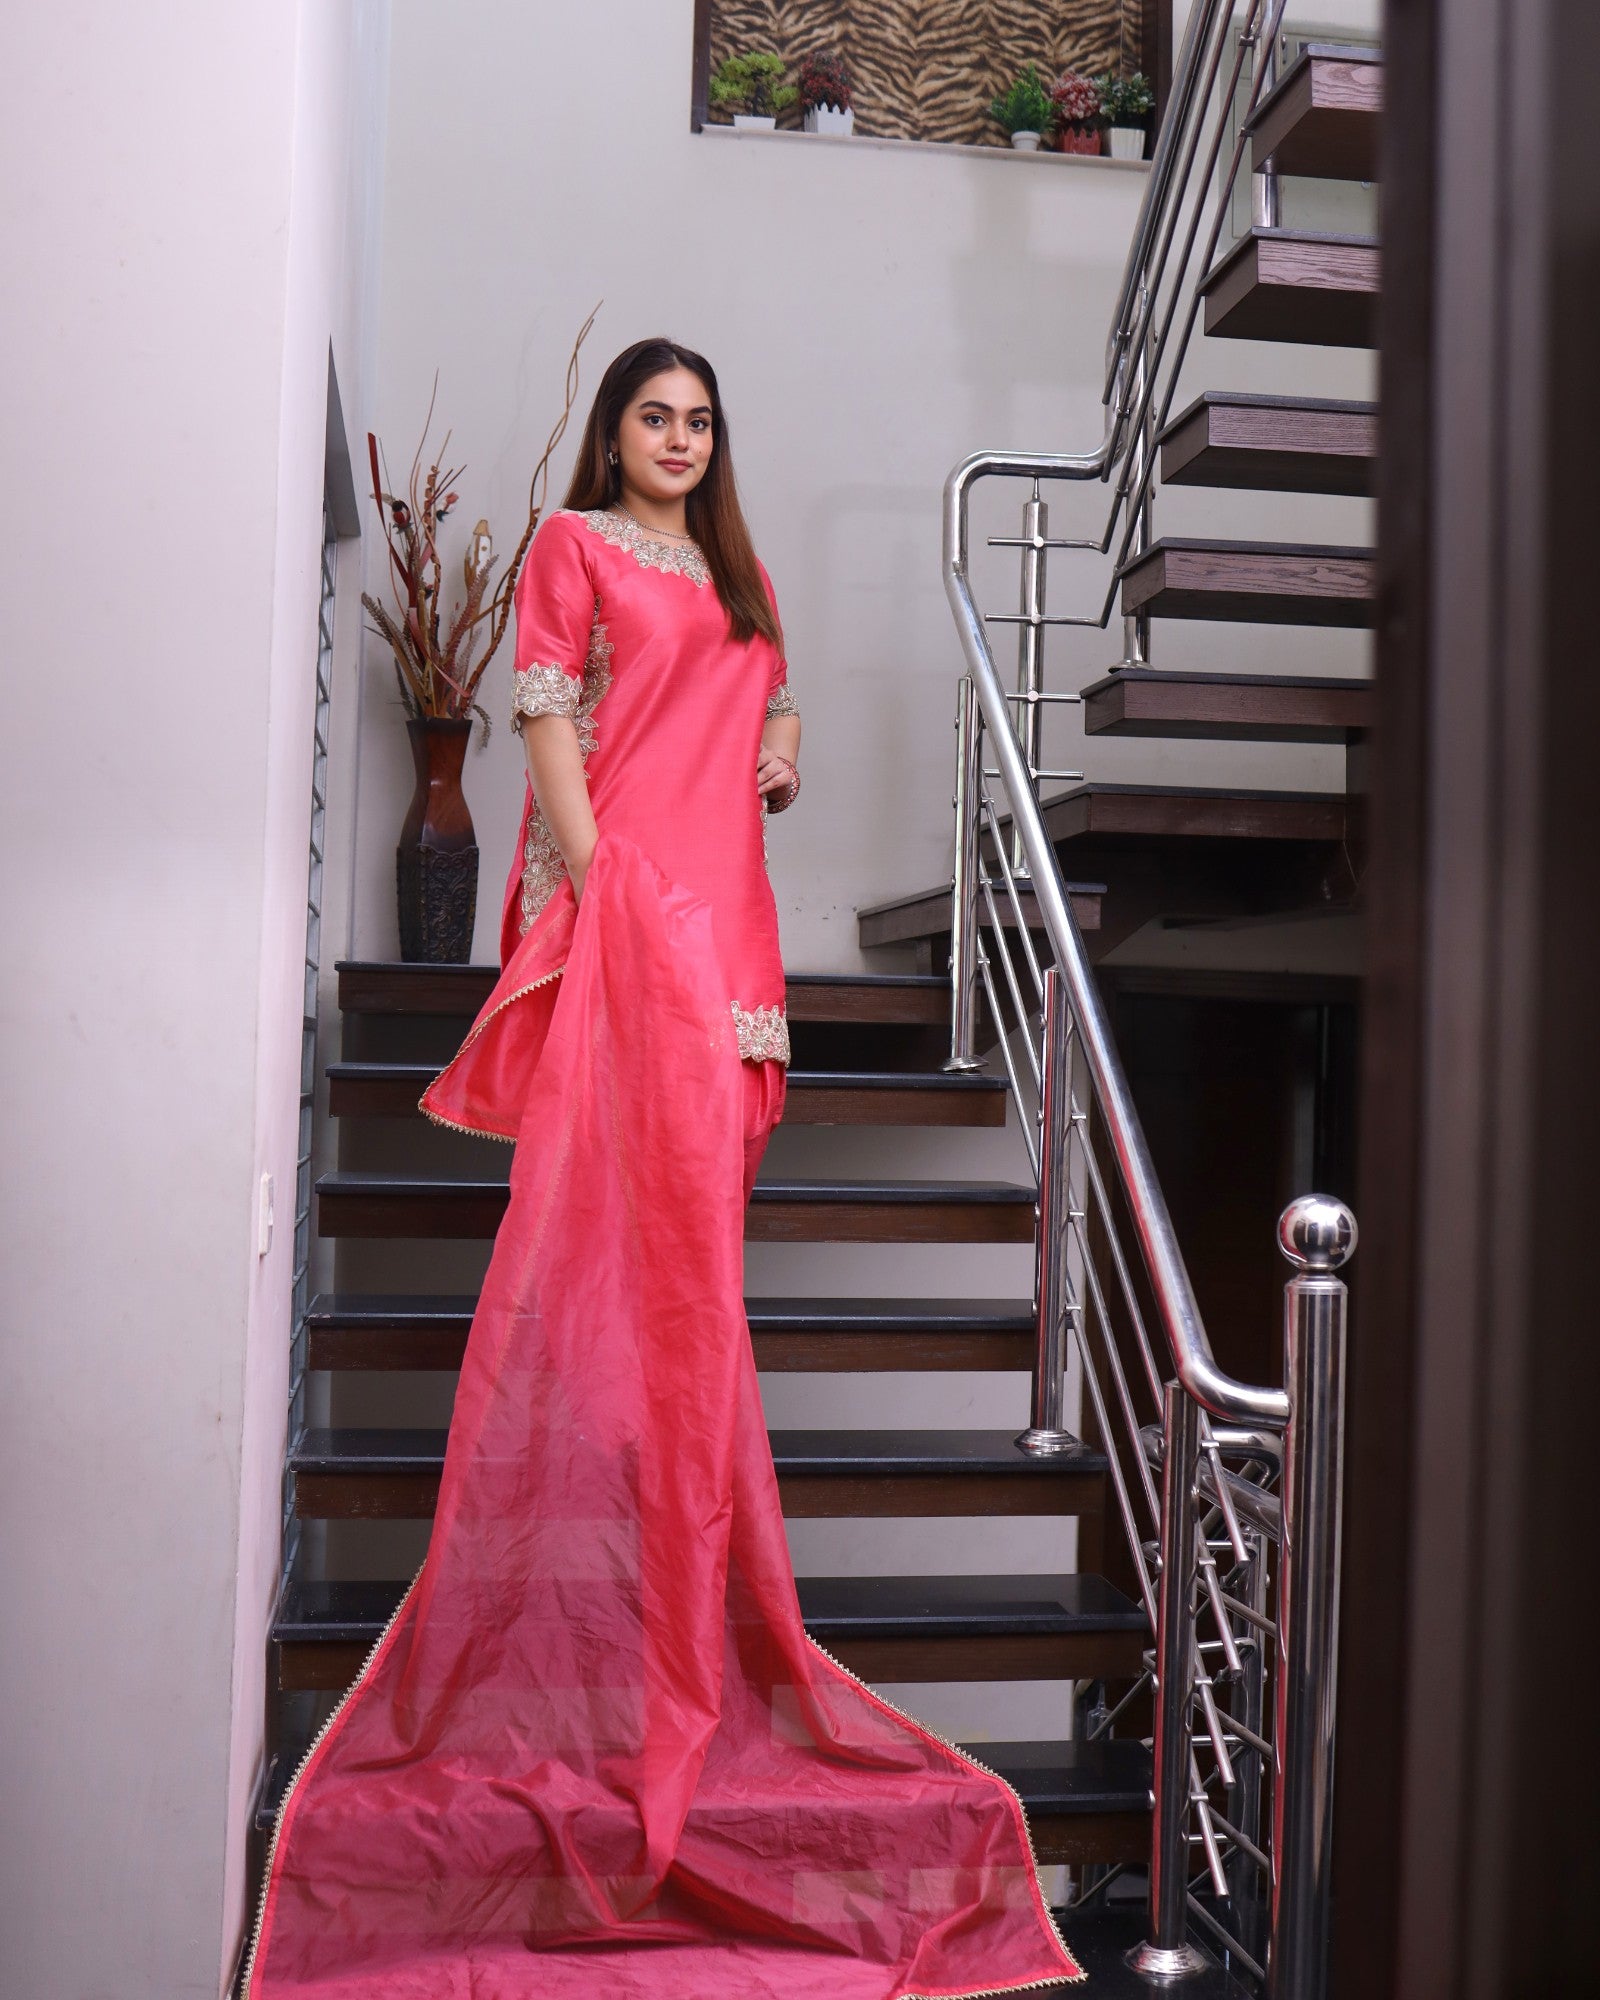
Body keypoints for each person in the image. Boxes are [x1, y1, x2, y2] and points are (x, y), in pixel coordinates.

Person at [241, 340, 1081, 1997]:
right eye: (654, 417)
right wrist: (601, 877)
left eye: (700, 421)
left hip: (734, 939)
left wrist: (780, 742)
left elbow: (755, 699)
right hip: (637, 914)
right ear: (611, 431)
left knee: (694, 1272)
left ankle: (665, 1599)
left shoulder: (733, 567)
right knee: (634, 1280)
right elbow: (546, 714)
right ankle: (632, 1618)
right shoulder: (577, 546)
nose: (680, 440)